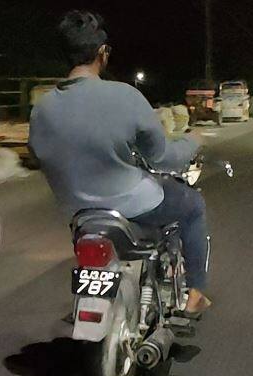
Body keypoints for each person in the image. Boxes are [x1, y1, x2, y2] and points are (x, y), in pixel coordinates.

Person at [29, 10, 211, 313]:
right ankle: (196, 293)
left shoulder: (42, 108)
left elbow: (38, 154)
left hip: (79, 213)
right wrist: (194, 141)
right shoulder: (125, 96)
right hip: (131, 205)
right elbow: (164, 157)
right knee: (192, 206)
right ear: (102, 53)